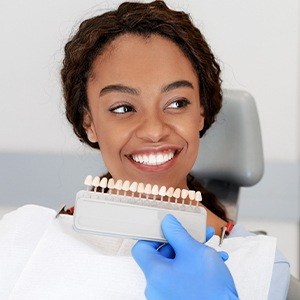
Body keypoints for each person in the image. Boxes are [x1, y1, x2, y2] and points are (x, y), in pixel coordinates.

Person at [0, 1, 289, 299]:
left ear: (200, 111)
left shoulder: (261, 267)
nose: (153, 130)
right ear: (90, 123)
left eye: (177, 103)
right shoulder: (21, 241)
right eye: (123, 107)